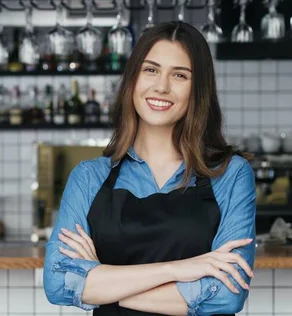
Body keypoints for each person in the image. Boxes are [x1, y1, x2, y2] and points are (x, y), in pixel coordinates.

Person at [43, 21, 256, 316]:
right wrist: (179, 269)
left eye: (179, 75)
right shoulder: (89, 177)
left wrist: (102, 281)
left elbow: (226, 295)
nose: (161, 86)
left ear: (198, 90)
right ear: (133, 79)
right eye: (151, 70)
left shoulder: (230, 174)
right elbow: (57, 284)